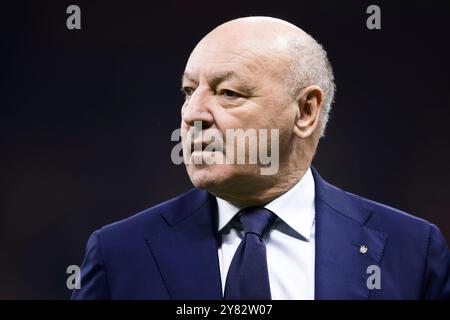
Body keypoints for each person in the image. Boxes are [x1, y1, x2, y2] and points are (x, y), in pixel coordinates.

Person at [72, 16, 450, 300]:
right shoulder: (120, 253)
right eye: (189, 91)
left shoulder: (412, 249)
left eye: (229, 92)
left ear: (305, 111)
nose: (193, 113)